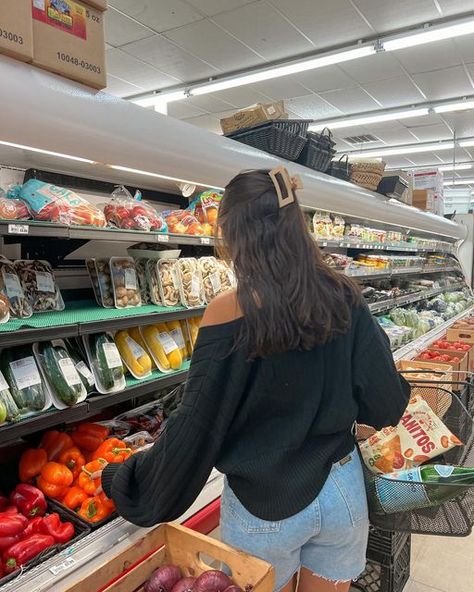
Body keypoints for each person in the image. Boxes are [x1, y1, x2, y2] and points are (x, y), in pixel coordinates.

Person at [101, 167, 410, 592]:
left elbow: (196, 426)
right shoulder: (344, 296)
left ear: (232, 235)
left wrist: (128, 478)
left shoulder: (227, 311)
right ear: (295, 225)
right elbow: (386, 403)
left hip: (263, 502)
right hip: (341, 489)